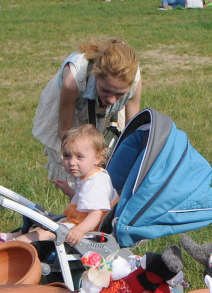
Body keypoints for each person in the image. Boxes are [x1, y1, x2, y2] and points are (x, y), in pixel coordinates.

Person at [32, 38, 142, 185]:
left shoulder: (133, 80)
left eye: (120, 94)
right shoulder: (73, 78)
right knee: (80, 167)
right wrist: (89, 164)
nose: (111, 100)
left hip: (100, 106)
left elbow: (132, 131)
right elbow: (65, 130)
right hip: (75, 107)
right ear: (96, 75)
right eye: (106, 90)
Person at [6, 125, 117, 246]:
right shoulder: (89, 176)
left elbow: (96, 214)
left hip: (87, 230)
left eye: (79, 157)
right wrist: (70, 192)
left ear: (97, 158)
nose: (72, 162)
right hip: (78, 222)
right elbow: (84, 204)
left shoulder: (95, 183)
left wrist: (79, 230)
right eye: (67, 156)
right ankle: (7, 238)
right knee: (40, 228)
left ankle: (10, 245)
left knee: (45, 233)